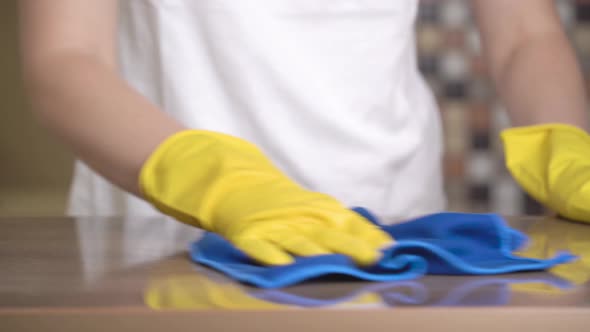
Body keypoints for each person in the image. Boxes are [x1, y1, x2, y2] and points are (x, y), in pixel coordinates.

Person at [18, 0, 590, 266]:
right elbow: (66, 59)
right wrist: (216, 183)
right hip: (165, 243)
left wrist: (566, 148)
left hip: (393, 236)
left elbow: (523, 33)